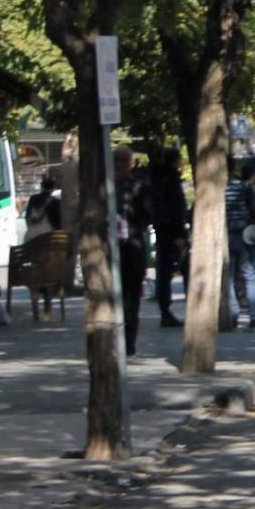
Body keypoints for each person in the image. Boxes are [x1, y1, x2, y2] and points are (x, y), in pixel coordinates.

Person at [145, 146, 190, 328]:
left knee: (164, 270)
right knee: (178, 268)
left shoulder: (156, 177)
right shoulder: (170, 178)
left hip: (161, 228)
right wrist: (179, 233)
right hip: (171, 230)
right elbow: (176, 206)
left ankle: (165, 309)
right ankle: (168, 309)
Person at [225, 156, 255, 330]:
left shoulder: (214, 189)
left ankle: (233, 315)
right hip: (245, 236)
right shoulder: (243, 187)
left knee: (228, 278)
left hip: (224, 238)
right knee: (251, 275)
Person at [113, 147, 151, 356]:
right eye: (115, 160)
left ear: (131, 164)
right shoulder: (105, 185)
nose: (117, 164)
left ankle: (128, 343)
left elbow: (148, 213)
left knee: (131, 299)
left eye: (122, 161)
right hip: (110, 250)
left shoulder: (139, 186)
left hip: (132, 248)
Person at [22, 175, 62, 243]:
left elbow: (28, 216)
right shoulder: (56, 202)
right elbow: (58, 220)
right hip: (49, 235)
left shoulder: (33, 198)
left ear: (42, 187)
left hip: (34, 235)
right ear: (53, 188)